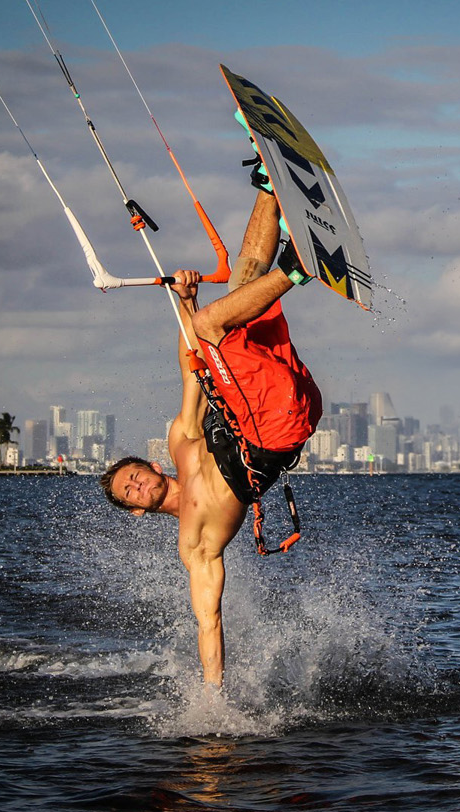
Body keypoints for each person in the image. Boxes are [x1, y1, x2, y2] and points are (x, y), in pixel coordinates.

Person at [98, 188, 322, 688]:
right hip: (275, 428)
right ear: (137, 512)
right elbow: (209, 620)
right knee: (212, 323)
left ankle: (268, 190)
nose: (136, 485)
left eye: (133, 475)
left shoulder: (181, 439)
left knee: (241, 285)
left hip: (269, 396)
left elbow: (191, 369)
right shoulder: (195, 542)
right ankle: (300, 267)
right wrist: (212, 696)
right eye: (129, 493)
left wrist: (186, 299)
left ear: (152, 466)